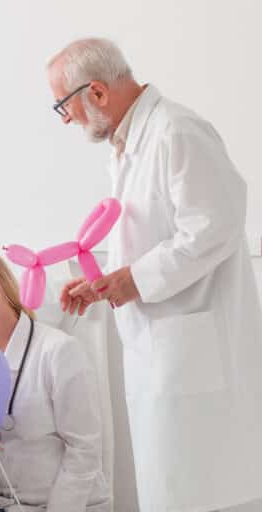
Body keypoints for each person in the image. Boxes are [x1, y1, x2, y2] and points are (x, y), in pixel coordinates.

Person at [47, 38, 262, 512]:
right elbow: (152, 237)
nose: (66, 118)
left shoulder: (176, 132)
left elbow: (214, 226)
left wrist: (133, 280)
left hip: (192, 347)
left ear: (96, 92)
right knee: (170, 482)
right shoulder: (129, 145)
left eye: (63, 105)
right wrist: (106, 281)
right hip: (164, 345)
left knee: (199, 484)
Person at [0, 249, 110, 512]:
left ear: (0, 277)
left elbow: (84, 449)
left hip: (70, 505)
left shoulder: (59, 350)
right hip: (3, 502)